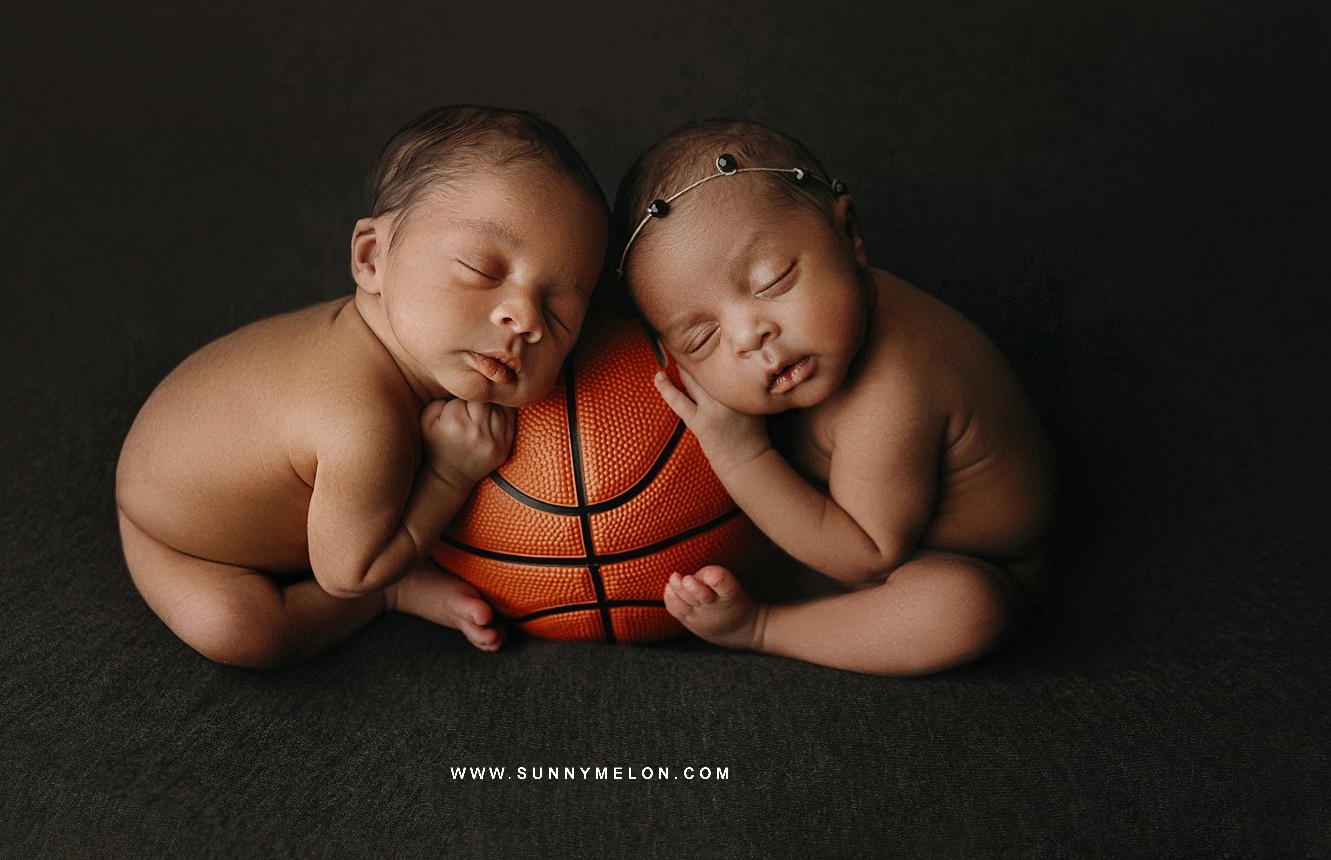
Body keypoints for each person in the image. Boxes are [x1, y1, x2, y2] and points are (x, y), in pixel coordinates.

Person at [115, 105, 609, 667]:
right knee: (240, 630)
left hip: (188, 447)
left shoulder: (388, 340)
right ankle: (392, 597)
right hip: (176, 538)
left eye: (561, 313)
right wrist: (450, 472)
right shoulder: (362, 425)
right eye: (481, 269)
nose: (524, 317)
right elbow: (347, 572)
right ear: (373, 258)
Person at [615, 119, 1055, 676]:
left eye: (773, 281)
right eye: (702, 338)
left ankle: (764, 626)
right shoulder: (830, 333)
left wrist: (739, 453)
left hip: (971, 563)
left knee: (962, 609)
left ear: (848, 236)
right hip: (851, 527)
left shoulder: (894, 387)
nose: (750, 336)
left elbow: (867, 552)